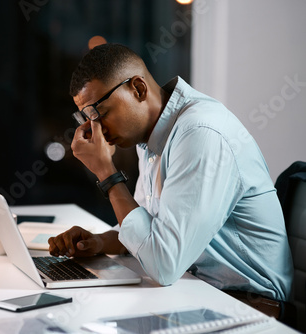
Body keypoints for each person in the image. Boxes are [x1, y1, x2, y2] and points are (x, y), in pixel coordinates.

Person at [48, 43, 293, 312]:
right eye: (87, 117)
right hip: (195, 291)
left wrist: (106, 172)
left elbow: (163, 264)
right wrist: (99, 242)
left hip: (248, 307)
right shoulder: (150, 139)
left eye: (100, 113)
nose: (95, 129)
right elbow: (151, 226)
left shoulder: (200, 133)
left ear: (138, 89)